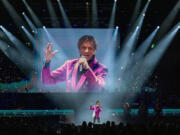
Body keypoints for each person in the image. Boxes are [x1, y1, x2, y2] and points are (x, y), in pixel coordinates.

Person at [41, 35, 108, 92]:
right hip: (70, 104)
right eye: (83, 48)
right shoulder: (69, 64)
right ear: (79, 50)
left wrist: (87, 69)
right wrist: (47, 62)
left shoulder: (101, 68)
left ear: (94, 51)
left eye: (90, 48)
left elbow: (98, 87)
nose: (86, 51)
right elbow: (47, 81)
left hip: (89, 105)